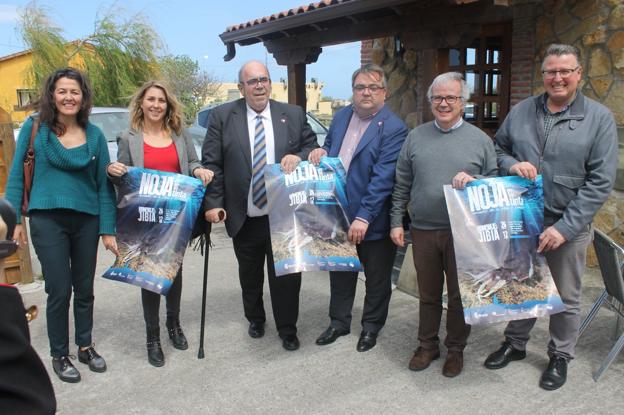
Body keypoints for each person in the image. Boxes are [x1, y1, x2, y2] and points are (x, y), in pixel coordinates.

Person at [483, 44, 618, 390]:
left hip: (567, 226)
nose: (557, 78)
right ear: (543, 75)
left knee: (567, 297)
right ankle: (515, 344)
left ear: (579, 75)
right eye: (551, 72)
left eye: (565, 71)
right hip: (524, 218)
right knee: (521, 282)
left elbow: (600, 181)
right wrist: (512, 164)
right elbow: (499, 149)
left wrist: (564, 227)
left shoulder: (599, 118)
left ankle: (560, 356)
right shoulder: (522, 111)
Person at [5, 67, 118, 383]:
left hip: (86, 220)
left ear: (83, 98)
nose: (69, 97)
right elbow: (16, 176)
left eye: (75, 92)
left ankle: (85, 345)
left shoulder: (94, 135)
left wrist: (107, 229)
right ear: (52, 95)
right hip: (47, 220)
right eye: (63, 91)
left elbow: (102, 187)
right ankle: (60, 353)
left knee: (85, 289)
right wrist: (14, 221)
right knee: (59, 289)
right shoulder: (35, 127)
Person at [202, 60, 318, 351]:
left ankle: (287, 328)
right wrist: (214, 203)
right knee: (250, 274)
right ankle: (255, 318)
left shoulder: (291, 114)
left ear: (270, 83)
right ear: (241, 88)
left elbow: (311, 146)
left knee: (287, 277)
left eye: (263, 80)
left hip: (283, 216)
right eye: (252, 81)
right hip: (245, 215)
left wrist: (300, 156)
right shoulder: (222, 116)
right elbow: (212, 164)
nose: (259, 86)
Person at [390, 72, 497, 377]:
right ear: (430, 101)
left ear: (464, 102)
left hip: (464, 233)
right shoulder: (416, 137)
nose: (444, 103)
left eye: (451, 97)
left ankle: (456, 350)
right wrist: (396, 222)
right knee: (428, 294)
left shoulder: (480, 140)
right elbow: (401, 184)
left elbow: (494, 183)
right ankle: (427, 346)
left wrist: (476, 181)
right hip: (423, 230)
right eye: (438, 97)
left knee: (460, 295)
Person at [107, 80, 213, 367]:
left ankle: (173, 324)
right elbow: (123, 177)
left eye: (161, 100)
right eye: (151, 99)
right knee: (149, 275)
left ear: (168, 106)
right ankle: (152, 336)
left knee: (174, 272)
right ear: (141, 102)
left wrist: (199, 169)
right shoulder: (128, 138)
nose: (156, 105)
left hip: (176, 217)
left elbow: (191, 163)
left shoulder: (179, 135)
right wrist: (113, 171)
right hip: (144, 217)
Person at [309, 63, 407, 352]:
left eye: (373, 87)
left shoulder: (394, 128)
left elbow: (383, 178)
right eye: (360, 87)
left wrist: (364, 216)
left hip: (372, 220)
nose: (366, 92)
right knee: (341, 271)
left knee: (377, 278)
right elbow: (330, 151)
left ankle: (371, 328)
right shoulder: (340, 118)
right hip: (338, 214)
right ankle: (338, 322)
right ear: (353, 91)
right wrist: (320, 152)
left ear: (384, 93)